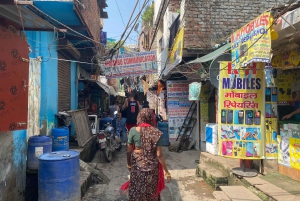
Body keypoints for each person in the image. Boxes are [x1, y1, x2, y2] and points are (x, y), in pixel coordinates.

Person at [126, 108, 171, 200]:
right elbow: (159, 155)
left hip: (137, 166)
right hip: (152, 168)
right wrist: (167, 173)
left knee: (137, 190)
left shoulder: (133, 130)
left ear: (139, 117)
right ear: (151, 118)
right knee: (151, 192)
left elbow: (129, 151)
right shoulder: (157, 133)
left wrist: (129, 164)